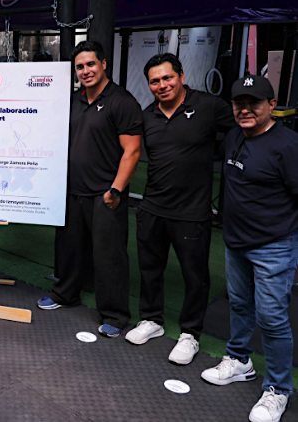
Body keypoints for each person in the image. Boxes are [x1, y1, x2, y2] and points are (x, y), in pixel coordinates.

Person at [125, 53, 234, 365]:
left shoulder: (209, 106)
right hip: (152, 208)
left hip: (192, 212)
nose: (162, 85)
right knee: (150, 269)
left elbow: (242, 130)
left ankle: (190, 334)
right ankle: (152, 319)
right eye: (154, 81)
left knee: (195, 277)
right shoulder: (147, 116)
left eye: (167, 78)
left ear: (181, 77)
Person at [201, 75, 297, 422]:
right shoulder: (234, 137)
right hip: (235, 242)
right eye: (239, 103)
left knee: (271, 317)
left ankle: (278, 389)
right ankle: (240, 360)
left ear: (271, 105)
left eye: (253, 103)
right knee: (239, 304)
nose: (245, 109)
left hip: (274, 246)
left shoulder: (288, 145)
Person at [37, 41, 142, 338]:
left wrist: (116, 189)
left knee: (109, 255)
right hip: (72, 191)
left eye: (91, 64)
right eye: (80, 66)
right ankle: (65, 294)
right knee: (68, 248)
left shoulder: (122, 101)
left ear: (104, 64)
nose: (86, 71)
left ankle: (115, 314)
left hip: (105, 194)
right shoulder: (73, 100)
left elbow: (132, 151)